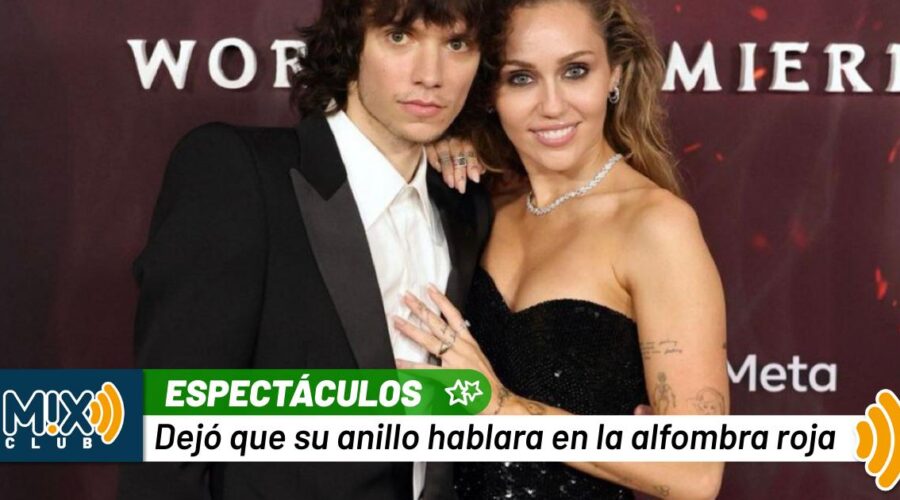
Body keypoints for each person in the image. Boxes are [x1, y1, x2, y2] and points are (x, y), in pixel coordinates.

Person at [117, 1, 494, 499]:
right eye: (399, 37)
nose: (431, 75)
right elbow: (164, 438)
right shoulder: (238, 174)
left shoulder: (466, 206)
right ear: (350, 43)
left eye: (457, 44)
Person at [397, 0, 729, 498]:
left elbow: (696, 472)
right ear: (489, 92)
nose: (552, 105)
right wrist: (442, 143)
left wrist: (502, 408)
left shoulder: (656, 226)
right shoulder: (479, 205)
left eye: (575, 71)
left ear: (614, 74)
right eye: (521, 78)